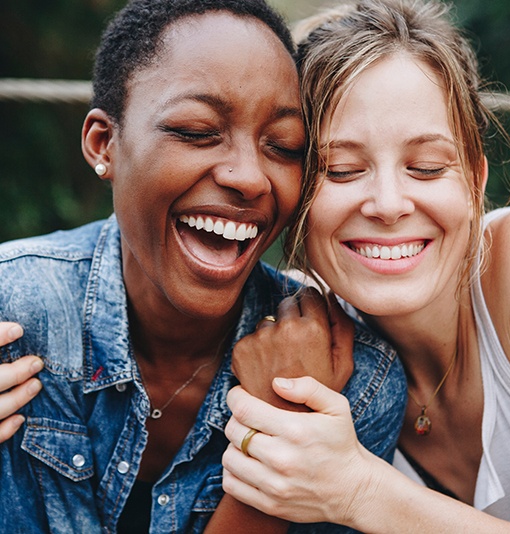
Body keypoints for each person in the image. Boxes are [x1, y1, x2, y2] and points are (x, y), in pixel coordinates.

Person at [0, 0, 407, 532]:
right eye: (196, 131)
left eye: (284, 146)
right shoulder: (14, 321)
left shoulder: (352, 387)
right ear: (105, 144)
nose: (250, 177)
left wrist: (286, 428)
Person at [221, 0, 510, 531]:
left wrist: (361, 491)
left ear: (476, 180)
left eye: (427, 167)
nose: (388, 204)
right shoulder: (299, 330)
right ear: (295, 197)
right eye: (341, 171)